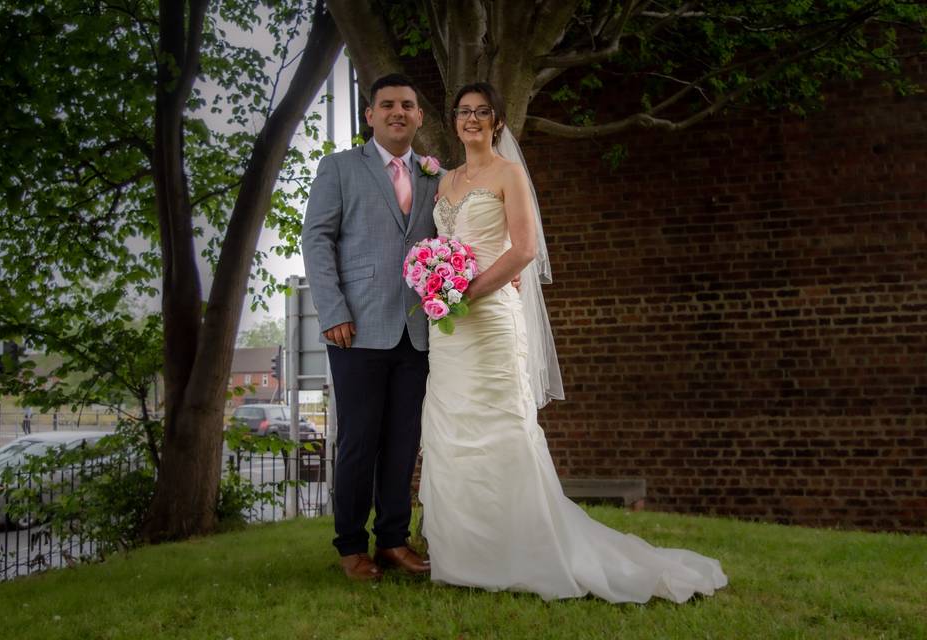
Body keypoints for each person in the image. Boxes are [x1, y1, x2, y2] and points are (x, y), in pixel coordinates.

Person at [418, 82, 729, 603]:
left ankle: (527, 549)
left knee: (501, 427)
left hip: (490, 317)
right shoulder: (444, 181)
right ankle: (466, 555)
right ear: (453, 121)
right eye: (463, 112)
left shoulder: (509, 174)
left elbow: (523, 250)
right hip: (450, 327)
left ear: (496, 122)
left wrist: (468, 290)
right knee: (452, 430)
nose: (471, 120)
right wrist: (436, 283)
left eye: (482, 113)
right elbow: (441, 246)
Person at [302, 74, 440, 581]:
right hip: (354, 328)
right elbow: (316, 239)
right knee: (359, 439)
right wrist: (333, 309)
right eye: (387, 105)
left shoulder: (434, 176)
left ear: (420, 116)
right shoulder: (338, 168)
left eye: (408, 104)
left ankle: (393, 541)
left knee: (405, 440)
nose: (397, 112)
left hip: (418, 332)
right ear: (371, 115)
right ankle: (350, 545)